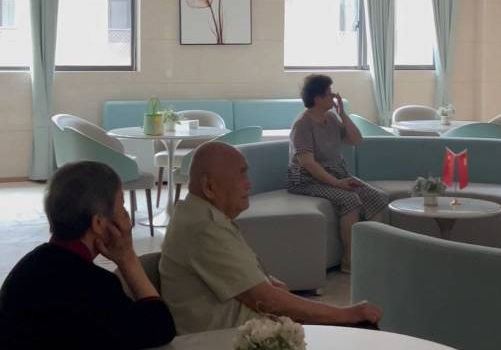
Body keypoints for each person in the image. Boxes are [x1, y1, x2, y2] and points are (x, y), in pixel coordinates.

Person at [159, 141, 382, 334]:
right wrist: (347, 313)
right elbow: (267, 301)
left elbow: (259, 290)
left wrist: (266, 284)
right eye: (241, 174)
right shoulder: (203, 227)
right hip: (231, 340)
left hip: (252, 332)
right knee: (361, 324)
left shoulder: (201, 216)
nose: (249, 184)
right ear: (209, 186)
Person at [0, 161, 176, 350]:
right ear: (98, 223)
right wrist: (128, 258)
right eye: (122, 208)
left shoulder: (30, 265)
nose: (127, 218)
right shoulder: (94, 285)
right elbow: (160, 327)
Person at [287, 74, 389, 272]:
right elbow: (308, 163)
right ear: (317, 98)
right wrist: (337, 183)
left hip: (336, 174)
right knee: (350, 199)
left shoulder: (331, 118)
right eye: (329, 93)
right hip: (307, 180)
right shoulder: (303, 124)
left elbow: (357, 140)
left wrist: (343, 114)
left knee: (375, 197)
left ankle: (371, 253)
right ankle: (349, 260)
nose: (334, 96)